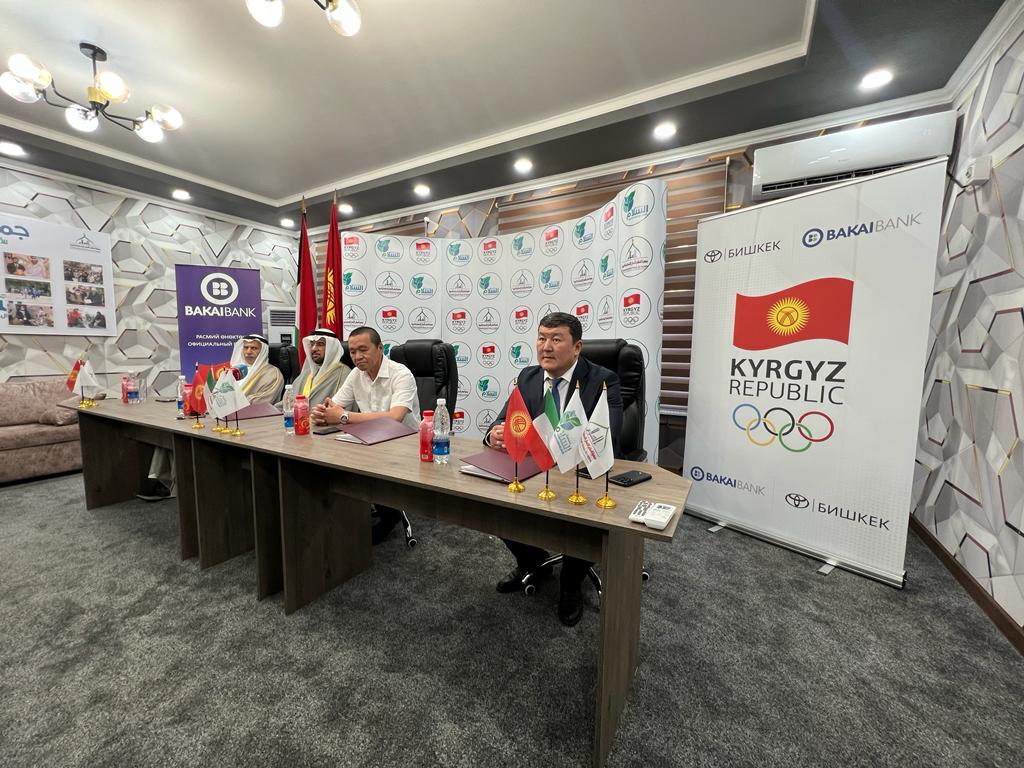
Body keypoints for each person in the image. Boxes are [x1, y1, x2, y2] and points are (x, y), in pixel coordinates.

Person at [484, 312, 624, 627]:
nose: (545, 347)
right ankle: (532, 561)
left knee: (581, 517)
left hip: (582, 473)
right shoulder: (528, 377)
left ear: (577, 347)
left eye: (556, 339)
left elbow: (607, 436)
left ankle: (571, 582)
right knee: (494, 503)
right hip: (537, 470)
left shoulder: (603, 380)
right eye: (541, 338)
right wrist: (495, 433)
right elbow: (504, 419)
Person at [312, 326, 420, 543]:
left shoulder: (401, 374)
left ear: (380, 348)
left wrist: (342, 417)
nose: (357, 357)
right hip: (370, 441)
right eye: (352, 352)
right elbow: (335, 407)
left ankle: (389, 514)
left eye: (363, 350)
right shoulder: (355, 374)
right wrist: (322, 413)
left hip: (404, 443)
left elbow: (394, 418)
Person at [283, 327, 351, 406]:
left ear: (332, 348)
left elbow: (343, 408)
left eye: (320, 344)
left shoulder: (344, 374)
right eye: (312, 344)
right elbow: (286, 404)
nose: (313, 349)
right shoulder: (306, 373)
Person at [230, 333, 284, 404]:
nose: (248, 352)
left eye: (254, 348)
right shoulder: (237, 370)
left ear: (263, 351)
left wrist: (231, 402)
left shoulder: (272, 374)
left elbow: (261, 402)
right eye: (246, 347)